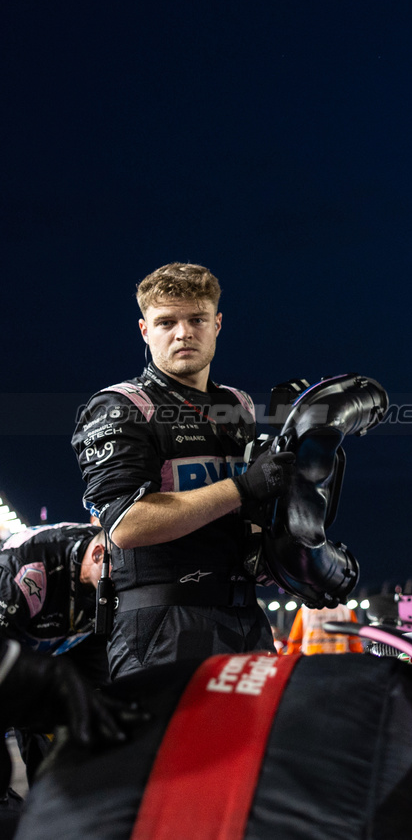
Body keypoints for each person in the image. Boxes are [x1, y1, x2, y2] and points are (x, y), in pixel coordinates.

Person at [71, 263, 296, 679]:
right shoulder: (119, 406)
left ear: (217, 324)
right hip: (163, 626)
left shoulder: (238, 404)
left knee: (258, 744)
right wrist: (243, 487)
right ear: (144, 330)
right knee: (180, 746)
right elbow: (126, 525)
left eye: (196, 319)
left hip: (246, 617)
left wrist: (300, 565)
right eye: (166, 322)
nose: (183, 332)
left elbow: (251, 518)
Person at [0, 522, 109, 683]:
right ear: (98, 555)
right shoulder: (27, 568)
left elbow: (93, 669)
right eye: (124, 573)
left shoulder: (107, 580)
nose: (128, 583)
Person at [283, 604, 362, 655]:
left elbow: (295, 642)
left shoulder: (305, 611)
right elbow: (355, 644)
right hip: (339, 663)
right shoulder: (346, 611)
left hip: (312, 663)